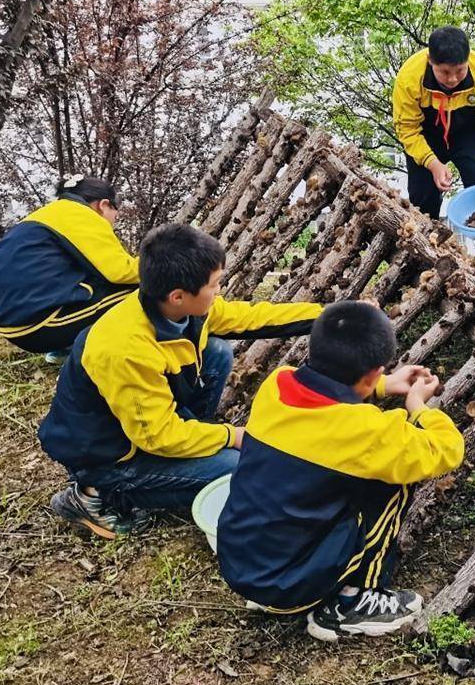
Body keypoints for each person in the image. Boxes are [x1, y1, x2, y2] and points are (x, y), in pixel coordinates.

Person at [38, 223, 323, 540]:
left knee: (216, 351)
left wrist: (328, 315)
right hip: (110, 455)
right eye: (214, 285)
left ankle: (190, 444)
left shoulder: (180, 310)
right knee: (242, 467)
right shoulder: (124, 348)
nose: (219, 291)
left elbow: (252, 317)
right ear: (177, 296)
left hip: (144, 425)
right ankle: (97, 494)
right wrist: (233, 436)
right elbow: (157, 436)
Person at [217, 301, 464, 641]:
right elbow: (446, 450)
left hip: (239, 563)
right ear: (371, 372)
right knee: (394, 482)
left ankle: (290, 587)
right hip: (289, 587)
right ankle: (352, 602)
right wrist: (419, 407)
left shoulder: (277, 384)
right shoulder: (364, 432)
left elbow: (325, 395)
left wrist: (383, 384)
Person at [0, 175, 139, 358]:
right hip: (38, 327)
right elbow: (120, 271)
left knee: (92, 278)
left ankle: (66, 348)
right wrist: (170, 264)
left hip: (15, 322)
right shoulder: (81, 215)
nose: (114, 221)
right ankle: (101, 349)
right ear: (103, 205)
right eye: (116, 214)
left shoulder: (48, 214)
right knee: (144, 287)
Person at [394, 26, 475, 268]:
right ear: (430, 61)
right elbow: (407, 129)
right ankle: (421, 263)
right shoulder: (410, 77)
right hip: (426, 134)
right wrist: (433, 163)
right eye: (444, 72)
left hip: (469, 131)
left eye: (459, 70)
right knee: (423, 197)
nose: (452, 79)